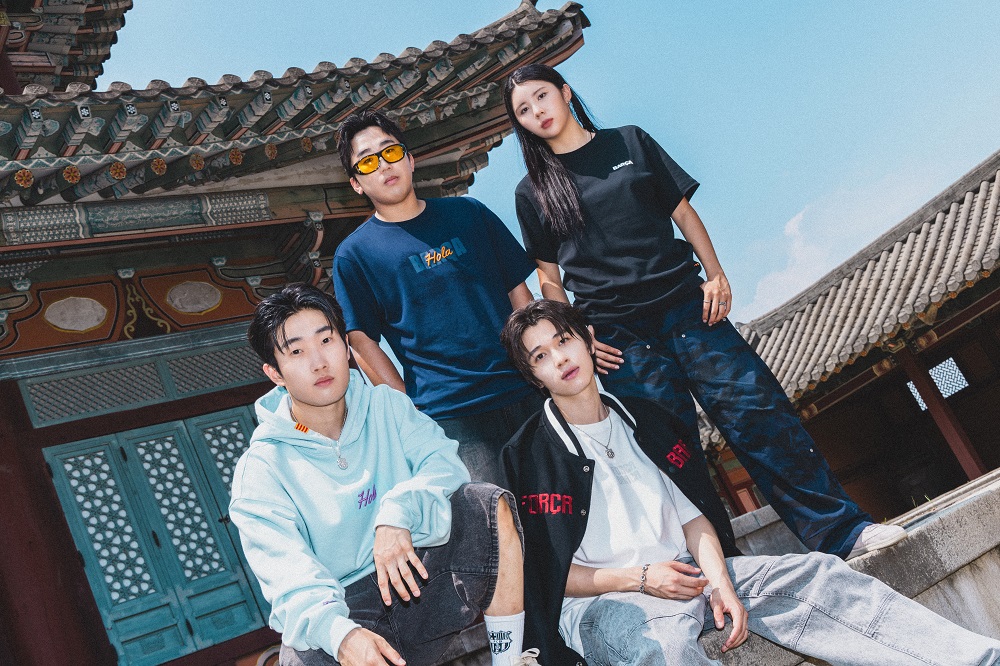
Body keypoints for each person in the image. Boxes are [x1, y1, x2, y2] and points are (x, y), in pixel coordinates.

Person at [503, 63, 903, 559]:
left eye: (542, 96)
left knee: (761, 418)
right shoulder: (532, 192)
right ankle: (721, 570)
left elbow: (683, 213)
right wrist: (578, 336)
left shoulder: (629, 141)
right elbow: (548, 277)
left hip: (692, 312)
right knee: (673, 456)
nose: (537, 111)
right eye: (524, 110)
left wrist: (715, 274)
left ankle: (844, 533)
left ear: (565, 92)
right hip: (621, 340)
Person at [499, 299, 1000, 666]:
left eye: (564, 340)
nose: (559, 358)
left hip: (691, 574)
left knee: (818, 575)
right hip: (605, 602)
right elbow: (549, 574)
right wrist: (643, 578)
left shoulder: (647, 420)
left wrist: (719, 582)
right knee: (665, 648)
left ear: (588, 341)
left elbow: (695, 519)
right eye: (540, 356)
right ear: (533, 376)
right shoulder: (529, 456)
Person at [229, 283, 540, 666]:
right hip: (343, 605)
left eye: (326, 340)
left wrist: (396, 514)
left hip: (415, 576)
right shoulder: (262, 469)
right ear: (274, 373)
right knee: (299, 656)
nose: (319, 362)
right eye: (296, 351)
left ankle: (510, 661)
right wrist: (342, 635)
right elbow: (288, 573)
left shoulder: (386, 406)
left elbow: (444, 463)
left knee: (485, 505)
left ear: (346, 346)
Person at [332, 110, 542, 485]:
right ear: (356, 183)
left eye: (390, 152)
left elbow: (519, 293)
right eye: (367, 161)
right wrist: (408, 410)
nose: (383, 165)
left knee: (568, 503)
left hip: (524, 387)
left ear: (410, 159)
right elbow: (361, 341)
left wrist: (540, 359)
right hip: (450, 416)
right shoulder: (354, 255)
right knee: (493, 515)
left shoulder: (468, 213)